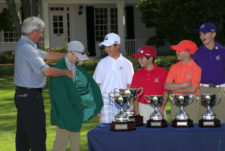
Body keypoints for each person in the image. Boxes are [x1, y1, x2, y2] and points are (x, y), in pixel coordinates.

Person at [14, 16, 73, 151]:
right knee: (37, 136)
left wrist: (69, 57)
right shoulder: (27, 49)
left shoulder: (25, 45)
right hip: (30, 97)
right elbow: (47, 71)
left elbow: (47, 55)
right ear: (33, 32)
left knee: (23, 136)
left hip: (23, 95)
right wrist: (67, 73)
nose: (41, 35)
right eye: (40, 32)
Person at [49, 41, 103, 151]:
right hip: (64, 114)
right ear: (69, 53)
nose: (78, 59)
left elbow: (87, 86)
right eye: (77, 56)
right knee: (61, 143)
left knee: (75, 145)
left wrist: (95, 106)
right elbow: (60, 98)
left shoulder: (76, 67)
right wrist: (70, 118)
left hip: (76, 111)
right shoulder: (58, 70)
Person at [93, 33, 134, 123]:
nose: (107, 49)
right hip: (105, 100)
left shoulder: (127, 64)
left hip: (122, 99)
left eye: (109, 46)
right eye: (105, 47)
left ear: (117, 45)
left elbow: (129, 85)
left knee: (123, 127)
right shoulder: (101, 63)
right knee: (106, 129)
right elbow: (96, 85)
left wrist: (128, 103)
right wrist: (97, 106)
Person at [193, 23, 225, 122]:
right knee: (203, 123)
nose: (202, 36)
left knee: (222, 123)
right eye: (200, 34)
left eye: (204, 33)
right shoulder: (197, 53)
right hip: (203, 91)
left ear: (213, 34)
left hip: (221, 92)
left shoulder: (223, 51)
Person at [165, 40, 201, 123]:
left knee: (192, 127)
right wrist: (184, 84)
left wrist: (174, 87)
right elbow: (166, 86)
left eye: (179, 51)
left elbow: (192, 90)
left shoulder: (196, 68)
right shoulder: (174, 66)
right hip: (176, 102)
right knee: (177, 129)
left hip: (191, 102)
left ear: (188, 52)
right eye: (176, 50)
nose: (176, 52)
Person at [130, 45, 168, 123]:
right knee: (143, 134)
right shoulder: (137, 74)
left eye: (141, 58)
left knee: (161, 133)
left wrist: (162, 107)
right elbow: (135, 95)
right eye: (138, 58)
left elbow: (165, 92)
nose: (139, 60)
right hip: (142, 108)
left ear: (150, 59)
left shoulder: (163, 72)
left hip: (159, 106)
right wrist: (137, 113)